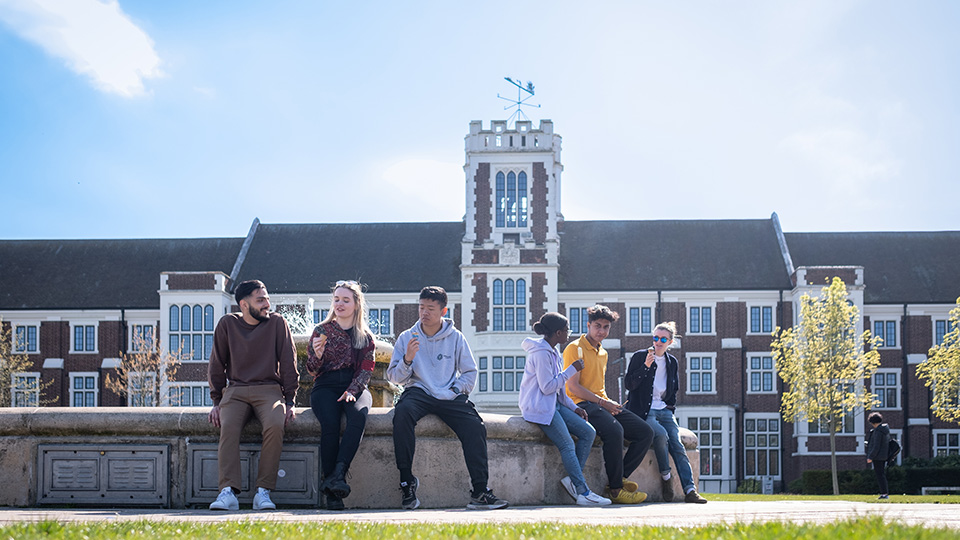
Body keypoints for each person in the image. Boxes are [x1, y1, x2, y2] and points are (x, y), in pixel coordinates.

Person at [386, 286, 509, 511]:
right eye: (421, 307)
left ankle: (480, 491)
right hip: (419, 391)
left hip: (449, 393)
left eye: (430, 309)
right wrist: (407, 359)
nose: (424, 313)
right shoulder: (407, 337)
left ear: (443, 311)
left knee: (475, 426)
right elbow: (395, 378)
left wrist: (455, 390)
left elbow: (470, 372)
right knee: (401, 415)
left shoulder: (455, 337)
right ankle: (407, 483)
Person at [207, 280, 299, 511]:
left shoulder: (278, 323)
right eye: (260, 300)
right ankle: (227, 492)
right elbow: (216, 364)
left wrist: (290, 401)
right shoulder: (227, 324)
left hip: (269, 389)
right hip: (235, 390)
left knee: (276, 424)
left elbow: (289, 363)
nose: (267, 304)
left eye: (267, 298)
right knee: (227, 426)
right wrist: (217, 402)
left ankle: (263, 491)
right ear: (244, 305)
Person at [562, 304, 653, 504]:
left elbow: (597, 387)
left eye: (606, 327)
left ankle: (619, 477)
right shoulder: (574, 348)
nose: (601, 331)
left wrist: (611, 403)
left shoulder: (603, 353)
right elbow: (574, 387)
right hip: (580, 405)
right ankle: (615, 490)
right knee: (615, 431)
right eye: (597, 326)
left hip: (600, 403)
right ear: (588, 325)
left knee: (645, 432)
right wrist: (604, 403)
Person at [519, 312, 611, 506]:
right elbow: (547, 387)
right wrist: (572, 369)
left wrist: (573, 407)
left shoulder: (553, 351)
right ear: (558, 332)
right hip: (540, 407)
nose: (569, 333)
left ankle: (573, 480)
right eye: (567, 330)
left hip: (555, 404)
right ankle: (583, 492)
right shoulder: (541, 353)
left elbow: (559, 390)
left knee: (588, 432)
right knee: (567, 444)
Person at [306, 280, 376, 510]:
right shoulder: (321, 330)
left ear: (356, 304)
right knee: (331, 424)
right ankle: (333, 494)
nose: (340, 304)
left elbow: (366, 370)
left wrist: (352, 390)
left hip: (355, 385)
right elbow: (312, 370)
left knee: (358, 417)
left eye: (346, 300)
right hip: (325, 386)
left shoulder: (365, 337)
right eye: (337, 299)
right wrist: (316, 355)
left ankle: (337, 475)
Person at [624, 321, 708, 504]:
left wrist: (670, 409)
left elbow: (673, 389)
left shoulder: (672, 362)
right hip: (645, 411)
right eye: (656, 338)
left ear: (670, 342)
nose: (658, 342)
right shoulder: (640, 357)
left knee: (677, 445)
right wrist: (645, 367)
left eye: (663, 339)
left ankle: (690, 490)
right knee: (660, 435)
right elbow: (629, 384)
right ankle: (666, 478)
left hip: (665, 410)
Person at [866, 412, 891, 500]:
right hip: (883, 456)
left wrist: (870, 456)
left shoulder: (878, 431)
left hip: (878, 456)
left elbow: (876, 446)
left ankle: (884, 493)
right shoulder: (884, 430)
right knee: (881, 474)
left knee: (880, 475)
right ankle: (884, 493)